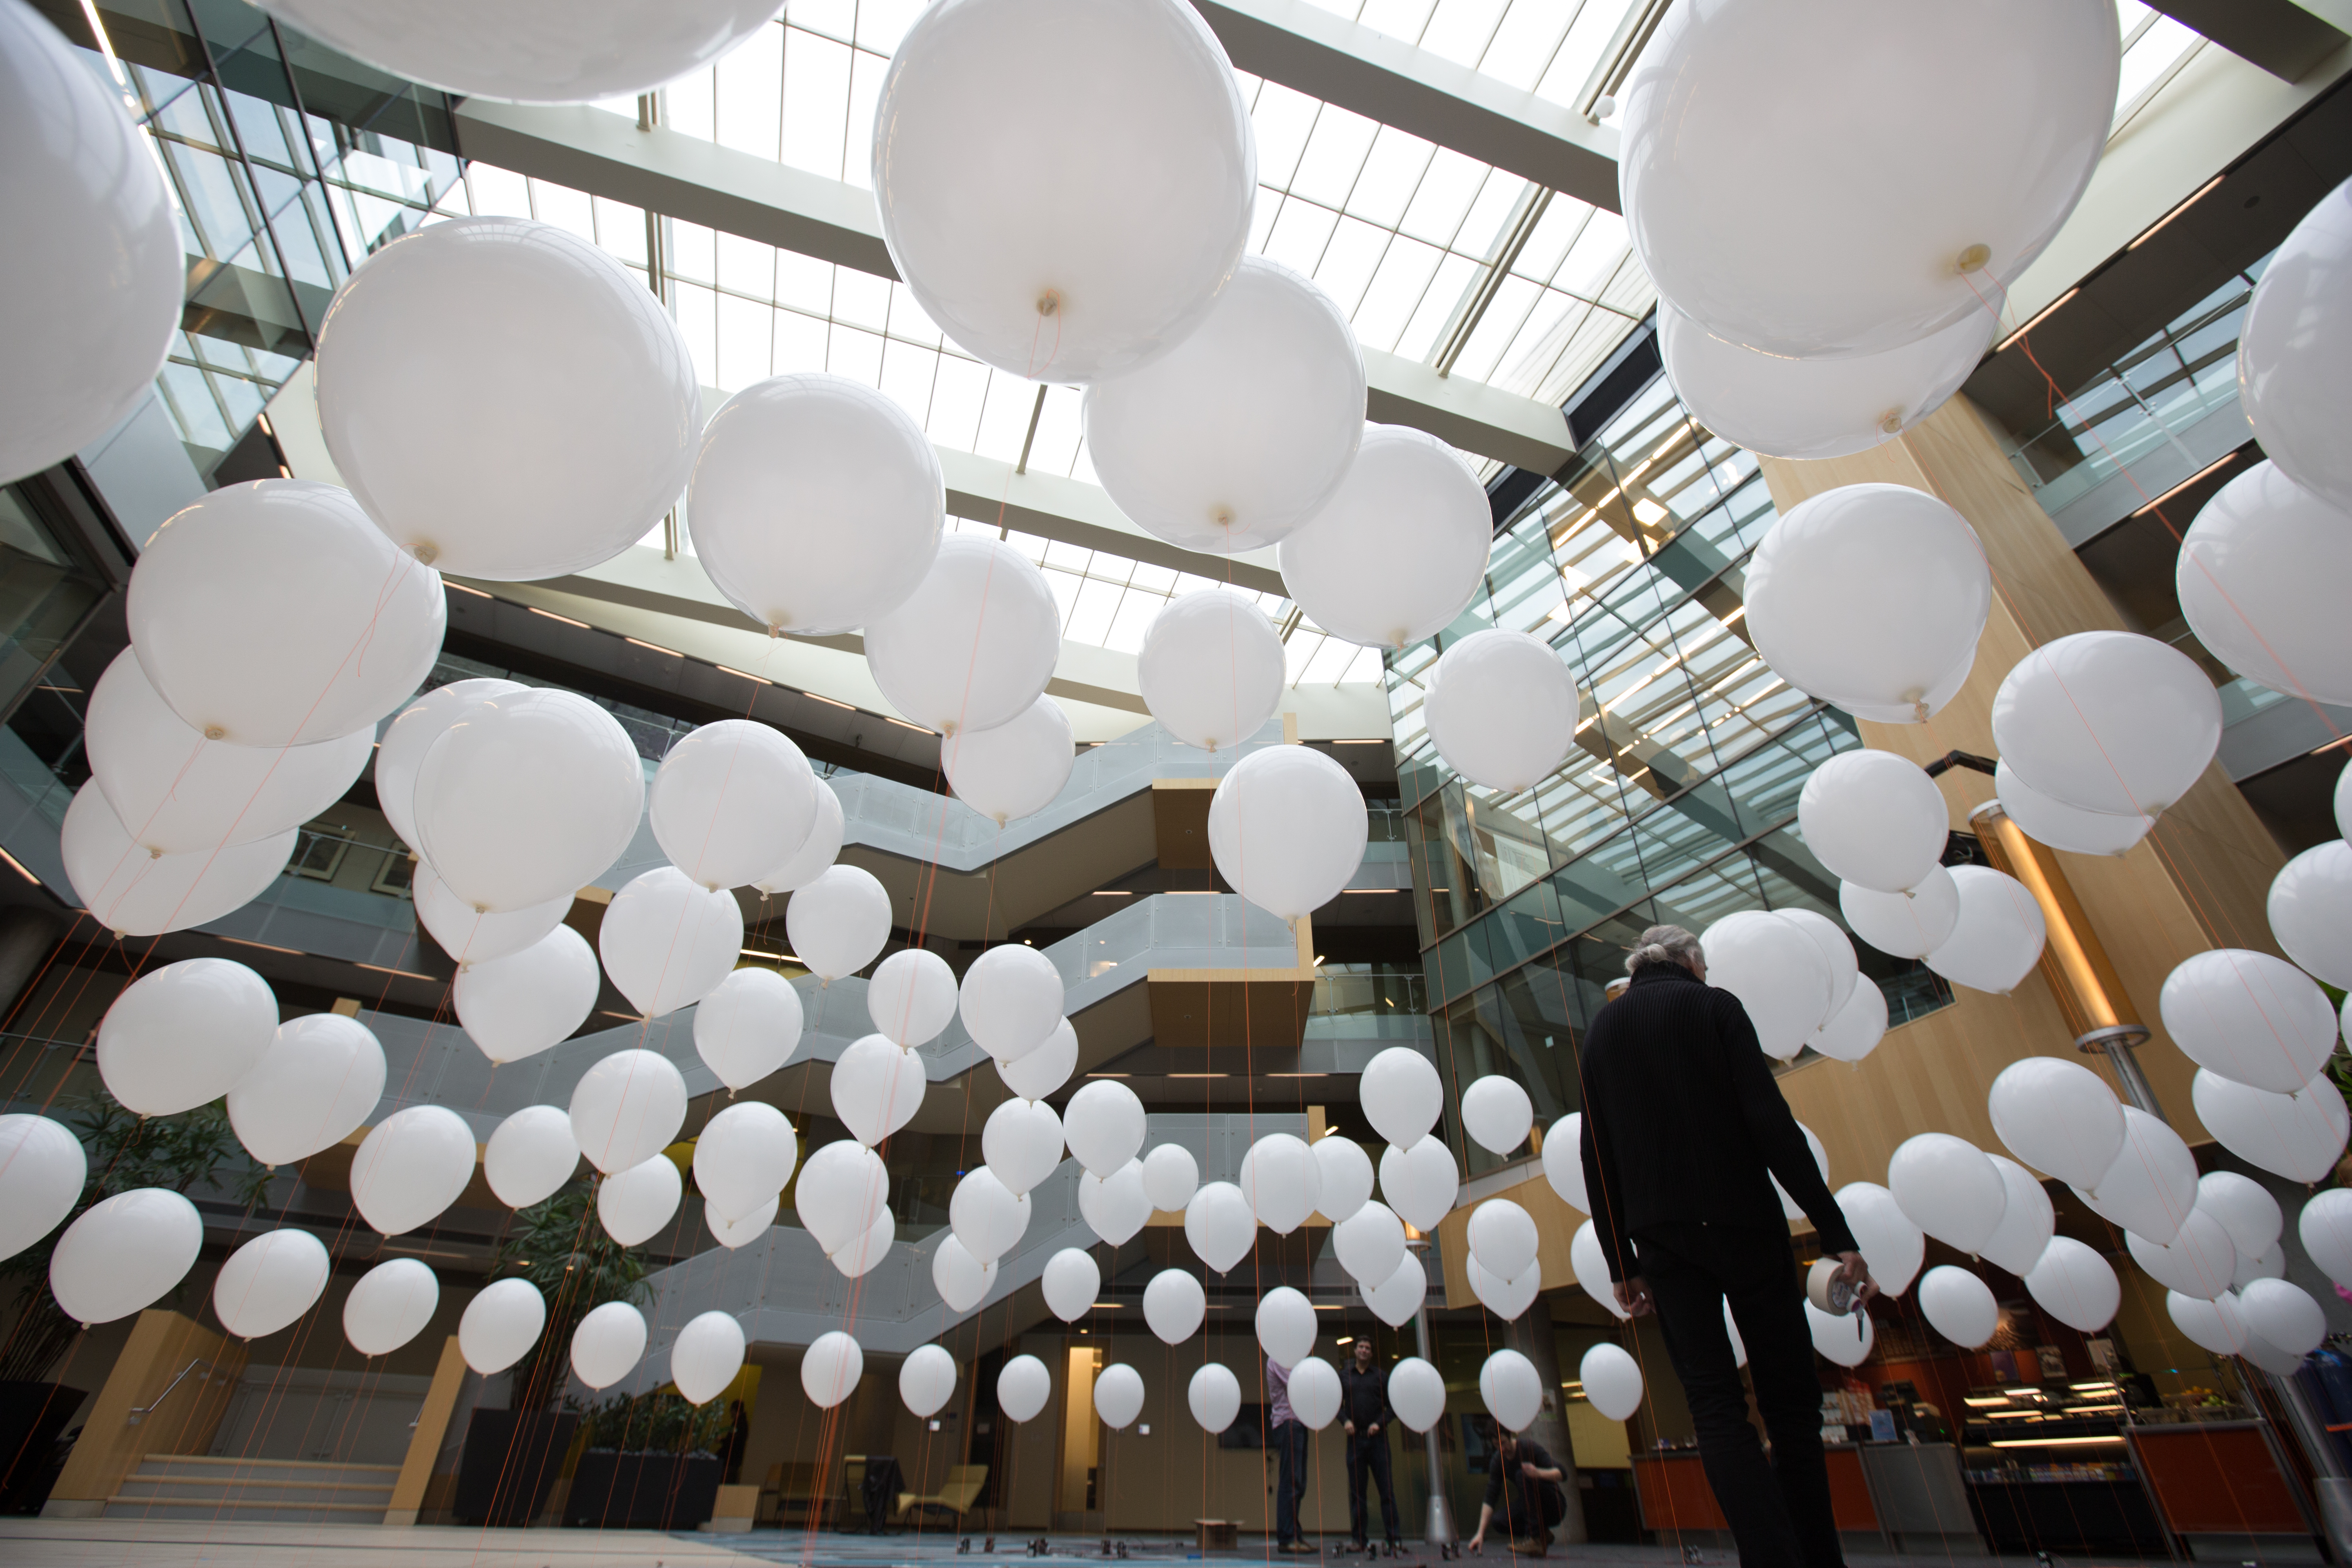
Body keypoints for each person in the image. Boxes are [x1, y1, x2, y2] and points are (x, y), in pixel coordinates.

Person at [1578, 923, 1879, 1568]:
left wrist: (1621, 1265)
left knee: (1714, 1405)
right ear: (1692, 962)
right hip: (1743, 1222)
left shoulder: (1603, 1031)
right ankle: (1817, 1556)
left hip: (1663, 1241)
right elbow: (1770, 1123)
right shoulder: (1714, 1007)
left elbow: (1595, 1155)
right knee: (1790, 1400)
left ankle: (1769, 1557)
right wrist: (1835, 1231)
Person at [1338, 1337, 1402, 1548]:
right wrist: (1345, 1421)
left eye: (1368, 1348)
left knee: (1386, 1491)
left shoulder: (1381, 1377)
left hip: (1378, 1440)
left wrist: (1379, 1423)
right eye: (1361, 1347)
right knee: (1357, 1494)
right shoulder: (1344, 1376)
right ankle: (1359, 1540)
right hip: (1355, 1439)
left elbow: (1393, 1407)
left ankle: (1394, 1540)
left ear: (1372, 1354)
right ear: (1355, 1350)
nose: (1364, 1351)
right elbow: (1335, 1404)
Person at [1464, 1428, 1567, 1555]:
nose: (1502, 1449)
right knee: (1499, 1521)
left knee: (1522, 1475)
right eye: (1497, 1445)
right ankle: (1543, 1535)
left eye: (1504, 1443)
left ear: (1511, 1436)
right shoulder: (1498, 1461)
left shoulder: (1528, 1447)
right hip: (1532, 1509)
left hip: (1553, 1506)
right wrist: (1480, 1534)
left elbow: (1563, 1473)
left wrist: (1538, 1473)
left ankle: (1535, 1539)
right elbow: (1491, 1497)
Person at [1267, 1354, 1312, 1554]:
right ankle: (1287, 1539)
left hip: (1298, 1422)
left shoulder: (1293, 1358)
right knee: (1291, 1482)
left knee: (1299, 1483)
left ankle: (1295, 1535)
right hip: (1288, 1423)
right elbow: (1298, 1385)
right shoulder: (1277, 1359)